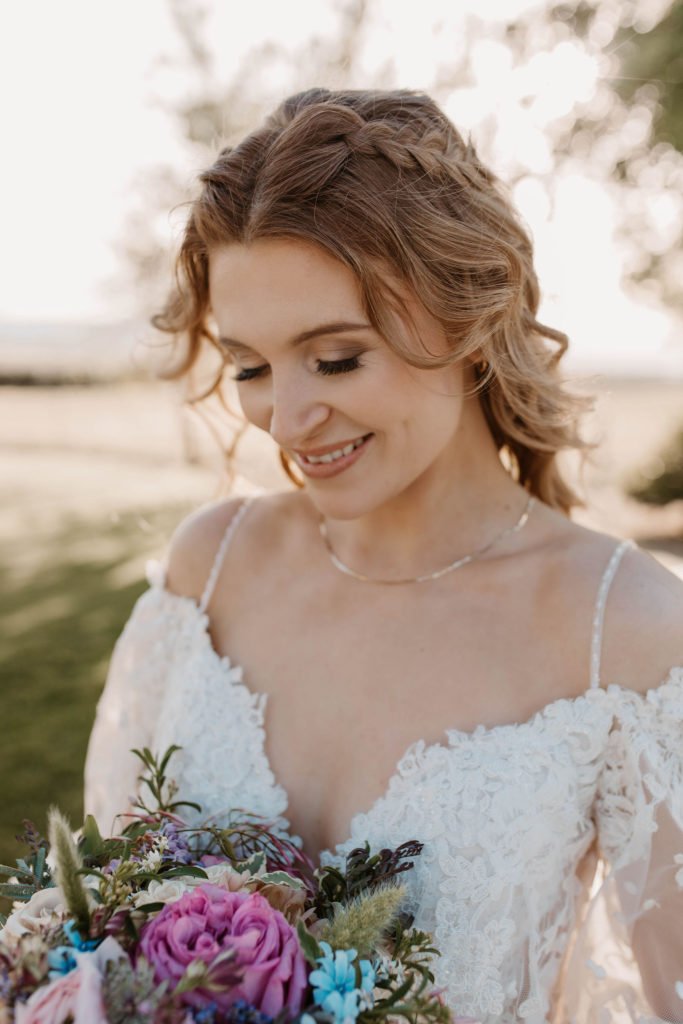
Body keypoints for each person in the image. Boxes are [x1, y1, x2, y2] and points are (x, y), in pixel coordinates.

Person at [85, 89, 683, 1023]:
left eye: (334, 360)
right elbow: (101, 936)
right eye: (248, 366)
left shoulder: (626, 633)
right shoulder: (212, 568)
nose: (285, 419)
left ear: (468, 318)